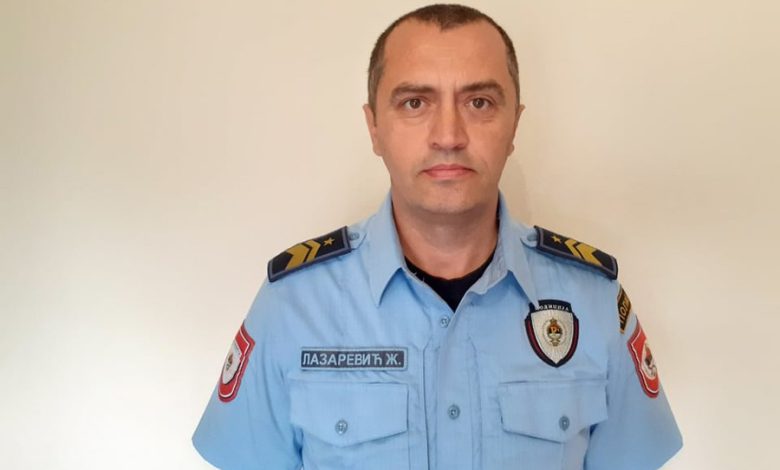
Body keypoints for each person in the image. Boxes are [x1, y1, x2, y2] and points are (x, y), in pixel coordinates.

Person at [192, 4, 682, 469]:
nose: (448, 135)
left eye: (479, 102)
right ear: (374, 127)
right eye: (415, 102)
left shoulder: (593, 300)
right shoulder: (294, 305)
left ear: (514, 124)